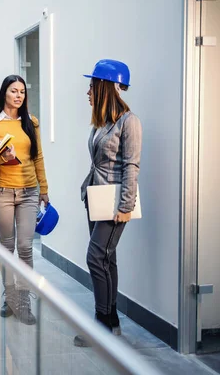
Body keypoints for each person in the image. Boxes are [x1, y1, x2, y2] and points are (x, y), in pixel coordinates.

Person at [74, 59, 142, 347]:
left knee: (95, 257)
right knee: (106, 258)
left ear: (104, 87)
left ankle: (101, 325)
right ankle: (111, 321)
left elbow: (131, 166)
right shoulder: (102, 123)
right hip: (96, 197)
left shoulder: (130, 122)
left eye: (91, 86)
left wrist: (126, 206)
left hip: (114, 201)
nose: (88, 92)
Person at [0, 75, 49, 325]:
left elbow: (38, 157)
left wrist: (44, 188)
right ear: (4, 94)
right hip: (2, 193)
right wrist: (1, 156)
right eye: (13, 91)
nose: (19, 96)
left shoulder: (31, 122)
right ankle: (9, 297)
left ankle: (23, 301)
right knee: (7, 248)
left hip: (29, 192)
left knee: (26, 247)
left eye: (22, 91)